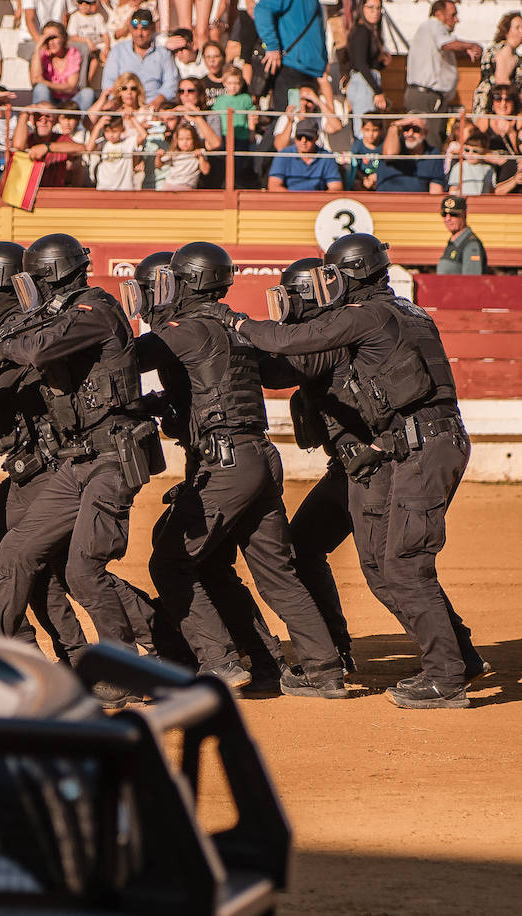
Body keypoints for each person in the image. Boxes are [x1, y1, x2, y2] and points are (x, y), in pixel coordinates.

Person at [228, 232, 486, 708]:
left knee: (400, 566)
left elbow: (289, 348)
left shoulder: (360, 318)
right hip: (407, 448)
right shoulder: (399, 309)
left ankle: (446, 675)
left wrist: (235, 324)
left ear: (347, 277)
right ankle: (456, 657)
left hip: (411, 450)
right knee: (386, 564)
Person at [134, 241, 348, 697]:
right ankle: (322, 670)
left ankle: (221, 663)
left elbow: (128, 360)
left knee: (171, 562)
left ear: (187, 282)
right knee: (275, 571)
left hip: (226, 462)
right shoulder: (232, 327)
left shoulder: (190, 328)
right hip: (259, 457)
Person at [0, 234, 169, 707]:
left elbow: (38, 349)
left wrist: (3, 345)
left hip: (114, 456)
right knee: (15, 550)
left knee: (84, 569)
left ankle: (123, 667)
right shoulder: (62, 316)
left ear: (51, 276)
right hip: (80, 460)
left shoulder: (97, 310)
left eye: (33, 280)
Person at [0, 241, 92, 670]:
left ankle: (75, 657)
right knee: (23, 562)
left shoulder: (22, 332)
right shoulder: (9, 331)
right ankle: (48, 654)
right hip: (30, 469)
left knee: (44, 567)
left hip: (48, 468)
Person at [253, 258, 369, 676]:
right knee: (303, 547)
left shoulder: (324, 337)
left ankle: (456, 657)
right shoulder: (328, 329)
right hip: (349, 468)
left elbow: (274, 372)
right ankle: (337, 648)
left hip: (369, 470)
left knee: (396, 571)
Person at [405, 0, 481, 149]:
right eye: (453, 15)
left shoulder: (431, 31)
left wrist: (464, 51)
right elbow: (446, 44)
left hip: (430, 97)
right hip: (427, 97)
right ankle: (432, 172)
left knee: (431, 140)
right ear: (439, 14)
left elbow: (444, 50)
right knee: (430, 142)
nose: (456, 20)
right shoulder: (435, 25)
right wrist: (472, 45)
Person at [253, 0, 326, 108]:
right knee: (290, 117)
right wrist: (272, 47)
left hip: (311, 71)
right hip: (292, 68)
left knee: (306, 122)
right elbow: (262, 9)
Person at [101, 7, 177, 108]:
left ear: (153, 28)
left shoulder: (163, 53)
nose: (139, 34)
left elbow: (171, 83)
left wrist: (156, 102)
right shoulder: (118, 51)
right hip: (123, 108)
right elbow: (108, 83)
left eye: (144, 29)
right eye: (135, 28)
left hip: (155, 109)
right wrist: (121, 105)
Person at [344, 0, 388, 140]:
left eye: (378, 8)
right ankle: (362, 161)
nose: (375, 12)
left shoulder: (370, 31)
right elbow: (360, 64)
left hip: (365, 82)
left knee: (370, 129)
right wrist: (378, 91)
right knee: (365, 131)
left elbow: (366, 64)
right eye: (370, 7)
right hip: (363, 85)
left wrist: (382, 64)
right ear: (362, 8)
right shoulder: (362, 31)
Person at [376, 114, 446, 193]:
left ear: (425, 133)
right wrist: (394, 126)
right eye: (406, 128)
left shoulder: (433, 153)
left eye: (416, 129)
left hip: (417, 203)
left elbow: (436, 189)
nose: (410, 133)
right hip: (385, 202)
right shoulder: (390, 144)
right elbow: (389, 154)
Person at [269, 119, 344, 191]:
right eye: (299, 137)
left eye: (308, 137)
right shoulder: (284, 155)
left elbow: (336, 187)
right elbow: (274, 186)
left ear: (316, 138)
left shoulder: (326, 156)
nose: (303, 141)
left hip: (318, 201)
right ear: (294, 138)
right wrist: (297, 200)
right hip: (289, 201)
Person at [472, 12, 522, 115]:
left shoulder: (499, 49)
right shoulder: (506, 50)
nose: (521, 31)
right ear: (506, 31)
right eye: (517, 27)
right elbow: (502, 82)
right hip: (495, 106)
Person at [31, 21, 85, 108]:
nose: (50, 43)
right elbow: (35, 80)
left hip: (70, 102)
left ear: (63, 38)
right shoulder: (42, 55)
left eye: (54, 38)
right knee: (40, 88)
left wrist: (45, 83)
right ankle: (43, 119)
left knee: (87, 93)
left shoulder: (72, 53)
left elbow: (70, 87)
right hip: (49, 100)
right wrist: (37, 49)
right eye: (47, 39)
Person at [88, 111, 144, 190]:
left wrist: (132, 118)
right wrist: (98, 126)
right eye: (107, 131)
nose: (111, 135)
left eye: (114, 131)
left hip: (124, 188)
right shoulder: (103, 143)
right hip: (104, 188)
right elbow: (89, 149)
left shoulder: (128, 143)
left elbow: (143, 135)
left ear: (122, 129)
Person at [436, 194, 487, 274]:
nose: (448, 219)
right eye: (444, 214)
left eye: (453, 214)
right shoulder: (453, 242)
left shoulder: (471, 245)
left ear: (464, 214)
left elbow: (471, 281)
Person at [447, 131, 495, 196]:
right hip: (464, 202)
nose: (470, 154)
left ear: (484, 151)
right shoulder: (458, 167)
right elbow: (453, 189)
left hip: (482, 202)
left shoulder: (489, 169)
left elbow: (491, 190)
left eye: (475, 151)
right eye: (467, 150)